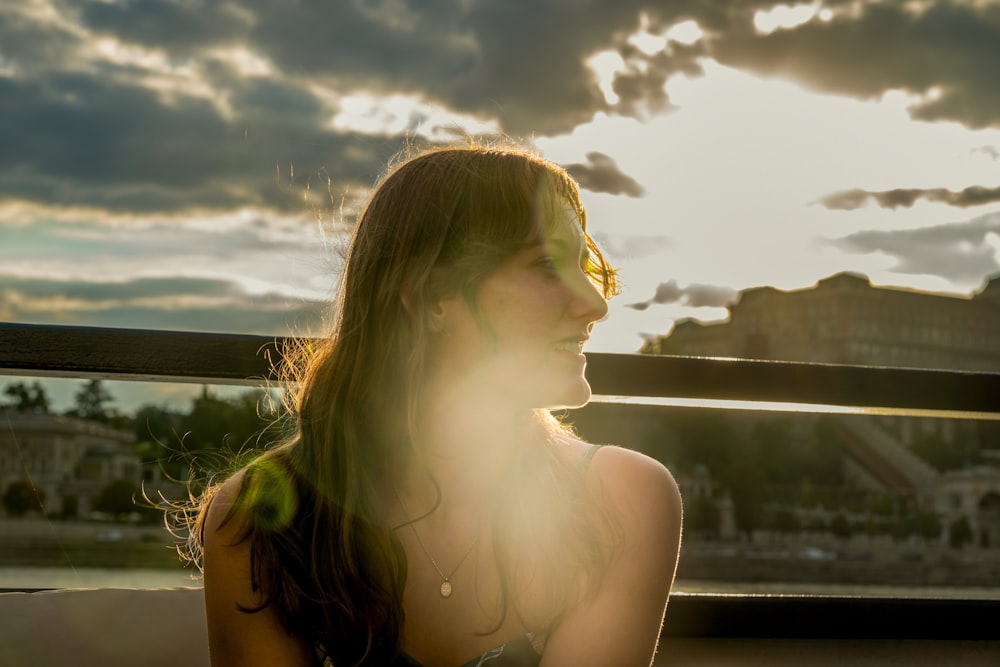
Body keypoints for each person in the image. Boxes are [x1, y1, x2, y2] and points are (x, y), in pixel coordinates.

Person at [188, 140, 683, 667]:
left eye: (584, 267)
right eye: (547, 266)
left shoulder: (623, 502)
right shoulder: (262, 521)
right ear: (430, 297)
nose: (596, 304)